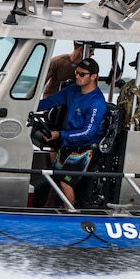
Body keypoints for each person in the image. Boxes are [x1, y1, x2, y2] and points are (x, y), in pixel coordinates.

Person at [37, 57, 107, 207]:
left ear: (93, 77)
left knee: (65, 182)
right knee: (55, 179)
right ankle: (47, 210)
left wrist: (59, 135)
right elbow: (50, 102)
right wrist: (25, 106)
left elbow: (87, 133)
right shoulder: (72, 91)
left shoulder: (97, 102)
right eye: (77, 73)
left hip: (86, 148)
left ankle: (69, 214)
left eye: (82, 74)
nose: (77, 76)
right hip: (69, 143)